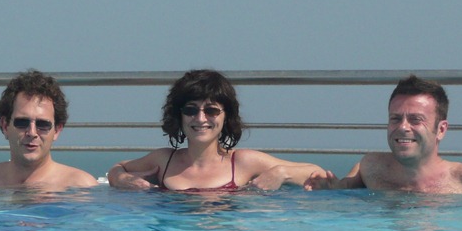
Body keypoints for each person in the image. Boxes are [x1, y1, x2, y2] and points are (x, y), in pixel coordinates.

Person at [307, 74, 462, 194]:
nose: (403, 127)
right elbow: (348, 185)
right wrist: (333, 187)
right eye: (395, 118)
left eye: (416, 120)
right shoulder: (372, 167)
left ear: (440, 129)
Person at [108, 68, 329, 191]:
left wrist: (281, 173)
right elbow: (118, 168)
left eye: (211, 110)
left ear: (226, 116)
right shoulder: (164, 160)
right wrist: (120, 179)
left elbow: (316, 172)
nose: (200, 118)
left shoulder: (242, 162)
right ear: (179, 115)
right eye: (190, 110)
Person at [0, 70, 98, 189]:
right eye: (22, 122)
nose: (32, 132)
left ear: (57, 130)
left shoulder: (82, 187)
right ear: (5, 126)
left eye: (43, 124)